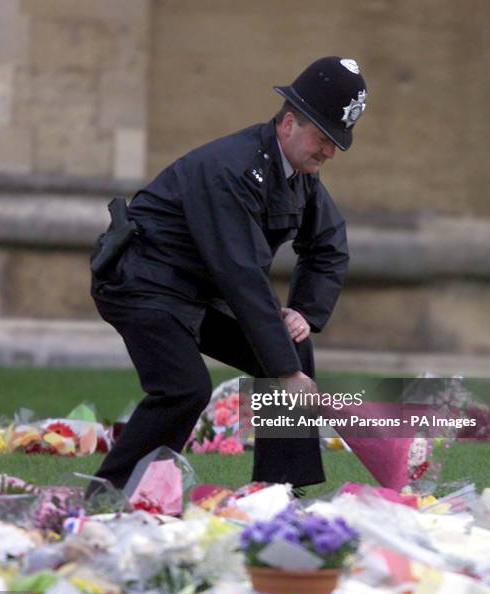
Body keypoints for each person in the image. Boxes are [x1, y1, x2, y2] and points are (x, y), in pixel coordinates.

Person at [89, 56, 368, 492]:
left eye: (337, 141)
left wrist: (304, 313)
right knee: (184, 389)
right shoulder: (230, 169)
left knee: (292, 345)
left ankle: (276, 492)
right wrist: (287, 375)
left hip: (198, 290)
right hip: (142, 285)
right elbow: (240, 273)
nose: (329, 151)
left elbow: (329, 244)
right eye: (323, 137)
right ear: (289, 122)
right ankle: (110, 495)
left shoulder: (300, 172)